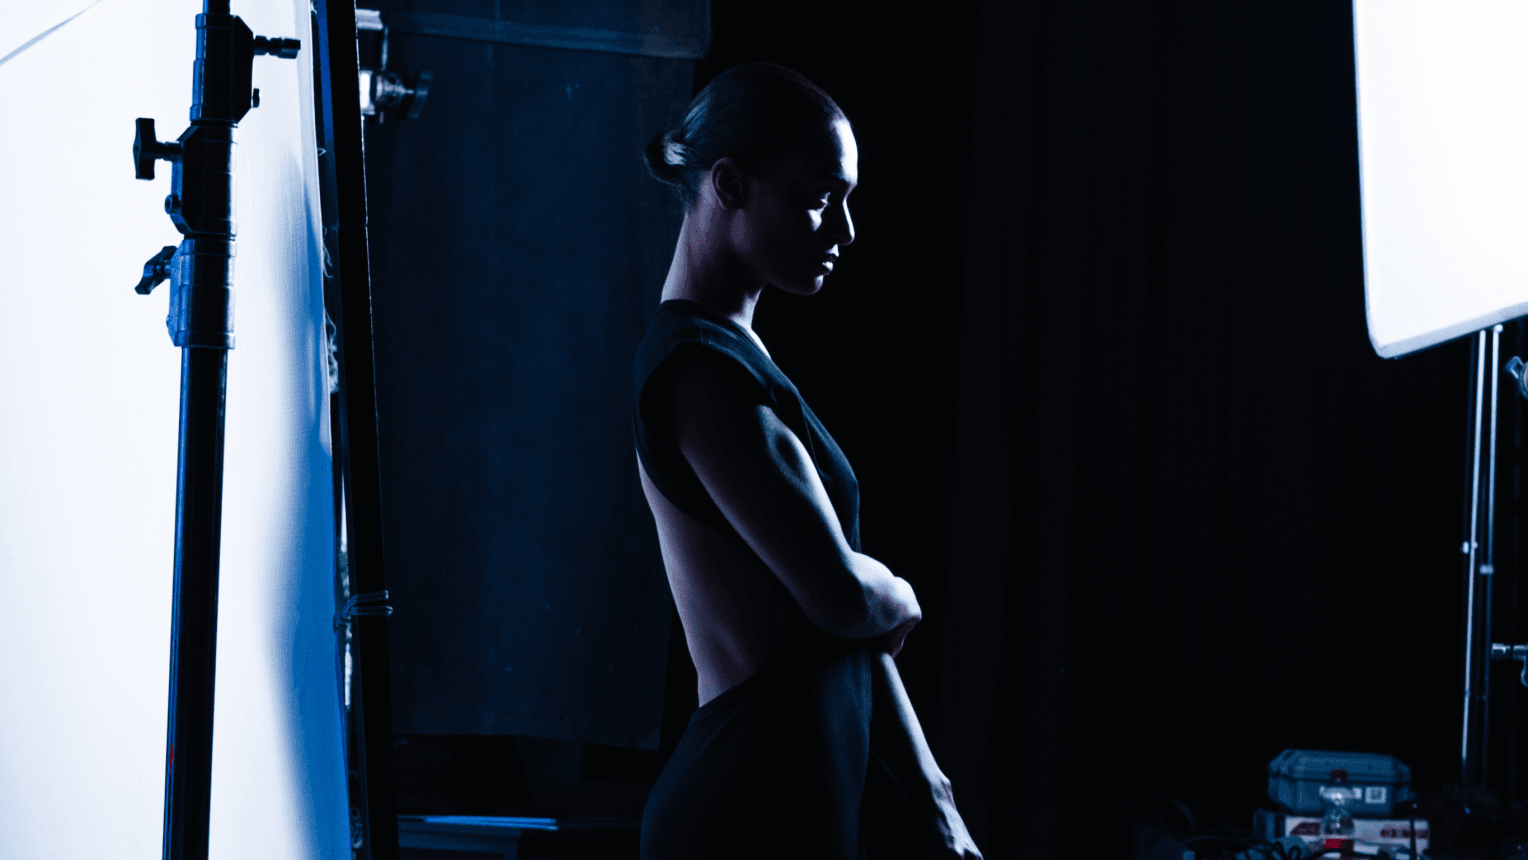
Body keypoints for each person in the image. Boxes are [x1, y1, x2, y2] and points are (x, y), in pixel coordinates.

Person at [632, 63, 981, 860]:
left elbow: (831, 627)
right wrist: (896, 590)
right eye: (820, 197)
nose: (845, 230)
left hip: (798, 794)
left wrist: (932, 794)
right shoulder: (698, 372)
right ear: (728, 184)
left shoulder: (735, 360)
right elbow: (837, 597)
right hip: (744, 805)